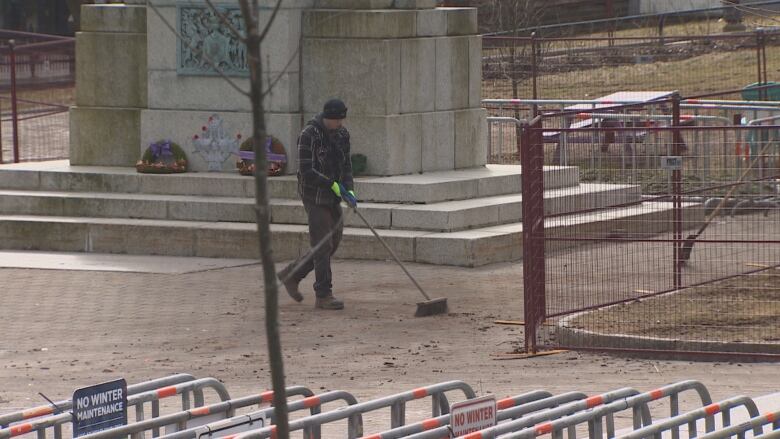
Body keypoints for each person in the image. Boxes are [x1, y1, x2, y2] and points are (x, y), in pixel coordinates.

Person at [277, 99, 357, 310]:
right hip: (314, 196)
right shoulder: (308, 135)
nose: (339, 124)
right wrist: (330, 184)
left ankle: (292, 274)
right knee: (322, 245)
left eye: (341, 120)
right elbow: (306, 171)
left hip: (334, 196)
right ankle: (323, 295)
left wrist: (349, 189)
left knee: (334, 241)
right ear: (326, 117)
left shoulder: (342, 134)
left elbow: (346, 165)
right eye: (336, 120)